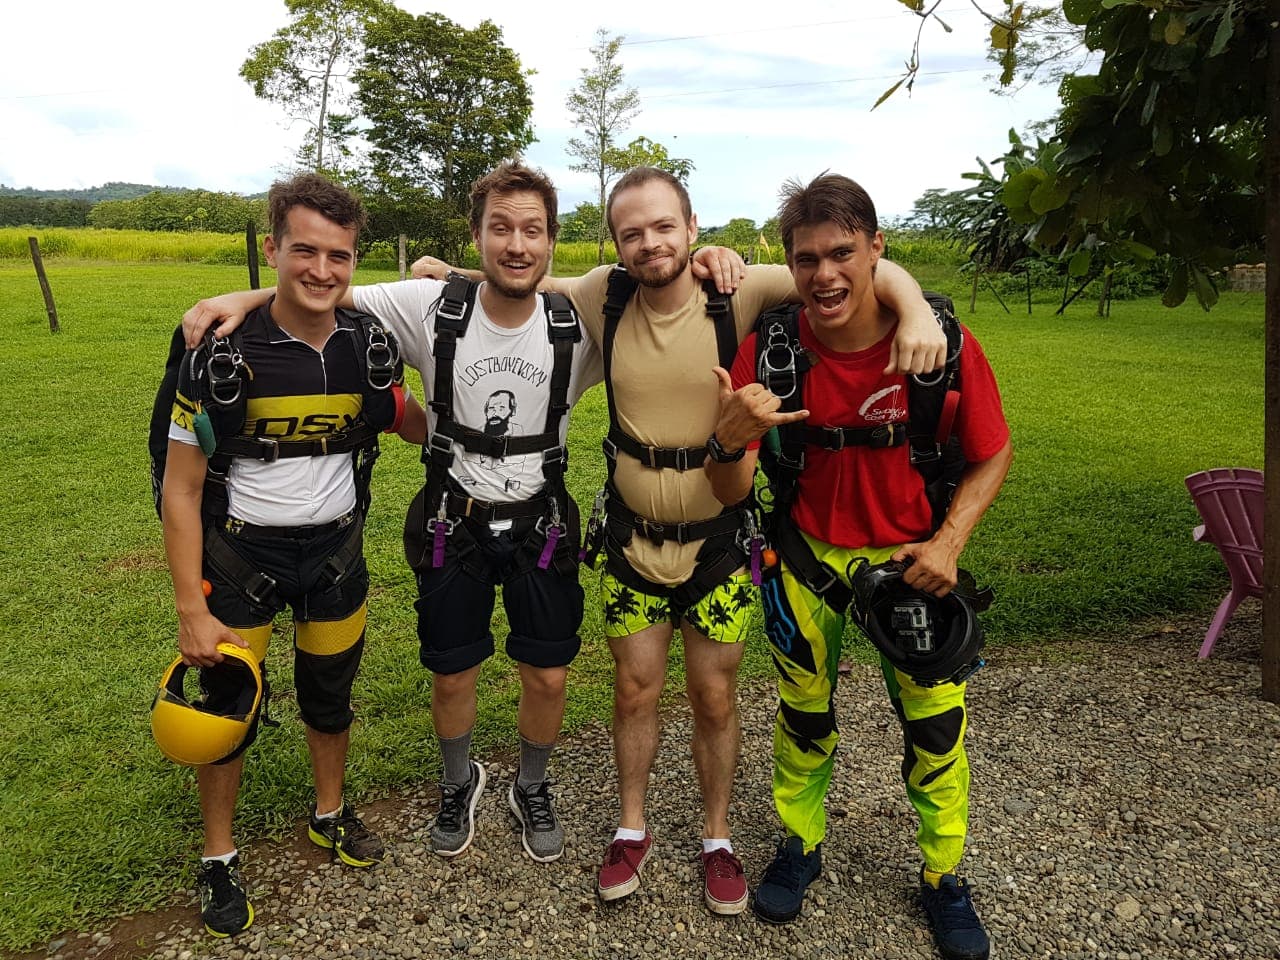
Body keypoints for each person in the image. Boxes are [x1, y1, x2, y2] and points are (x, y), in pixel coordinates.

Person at [413, 166, 948, 916]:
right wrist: (443, 270)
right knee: (633, 692)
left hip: (721, 542)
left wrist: (917, 308)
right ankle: (631, 827)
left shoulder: (744, 290)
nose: (648, 243)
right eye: (631, 232)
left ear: (693, 229)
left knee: (714, 696)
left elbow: (848, 264)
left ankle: (717, 837)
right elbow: (524, 271)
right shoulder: (606, 293)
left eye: (664, 227)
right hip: (632, 539)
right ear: (616, 243)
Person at [181, 163, 731, 867]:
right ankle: (456, 779)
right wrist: (242, 294)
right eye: (500, 228)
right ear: (476, 237)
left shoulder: (583, 321)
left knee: (550, 674)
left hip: (544, 520)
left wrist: (715, 257)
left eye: (532, 230)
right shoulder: (428, 307)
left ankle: (531, 786)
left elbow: (665, 303)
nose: (516, 244)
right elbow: (322, 288)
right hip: (452, 518)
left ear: (553, 241)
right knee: (452, 672)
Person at [705, 173, 1012, 959]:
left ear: (879, 249)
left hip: (916, 567)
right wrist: (730, 436)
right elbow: (726, 488)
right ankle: (800, 844)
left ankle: (944, 875)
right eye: (806, 259)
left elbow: (991, 452)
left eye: (843, 252)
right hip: (806, 561)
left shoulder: (938, 345)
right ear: (790, 264)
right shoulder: (768, 349)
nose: (825, 275)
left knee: (938, 730)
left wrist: (949, 544)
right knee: (803, 720)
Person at [162, 173, 427, 937]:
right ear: (272, 250)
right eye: (303, 250)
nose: (320, 270)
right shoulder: (220, 354)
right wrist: (191, 607)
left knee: (330, 696)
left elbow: (404, 421)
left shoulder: (368, 345)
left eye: (338, 256)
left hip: (337, 554)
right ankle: (219, 856)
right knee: (226, 710)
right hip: (242, 560)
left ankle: (330, 813)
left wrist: (439, 404)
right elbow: (180, 491)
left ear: (354, 262)